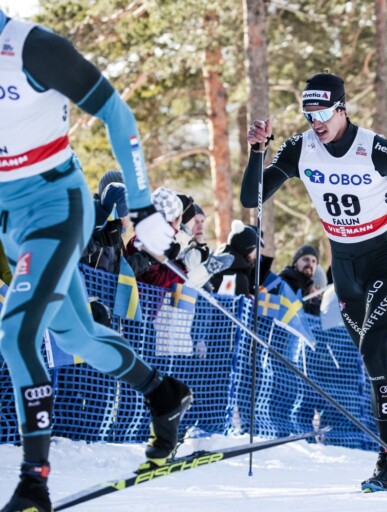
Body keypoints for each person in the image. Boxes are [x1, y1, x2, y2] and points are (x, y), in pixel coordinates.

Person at [0, 11, 192, 512]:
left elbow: (117, 113)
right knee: (77, 335)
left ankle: (33, 484)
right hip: (10, 220)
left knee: (17, 334)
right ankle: (163, 394)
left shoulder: (31, 47)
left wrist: (142, 207)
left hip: (55, 207)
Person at [242, 72, 387, 492]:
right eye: (308, 115)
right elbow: (251, 198)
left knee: (374, 353)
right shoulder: (301, 148)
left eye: (322, 114)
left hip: (385, 263)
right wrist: (258, 152)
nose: (315, 123)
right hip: (345, 271)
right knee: (377, 362)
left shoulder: (375, 149)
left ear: (342, 109)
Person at [279, 244, 321, 315]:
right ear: (295, 263)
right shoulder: (284, 281)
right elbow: (295, 309)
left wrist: (315, 300)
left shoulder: (308, 287)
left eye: (314, 261)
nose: (310, 264)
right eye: (306, 260)